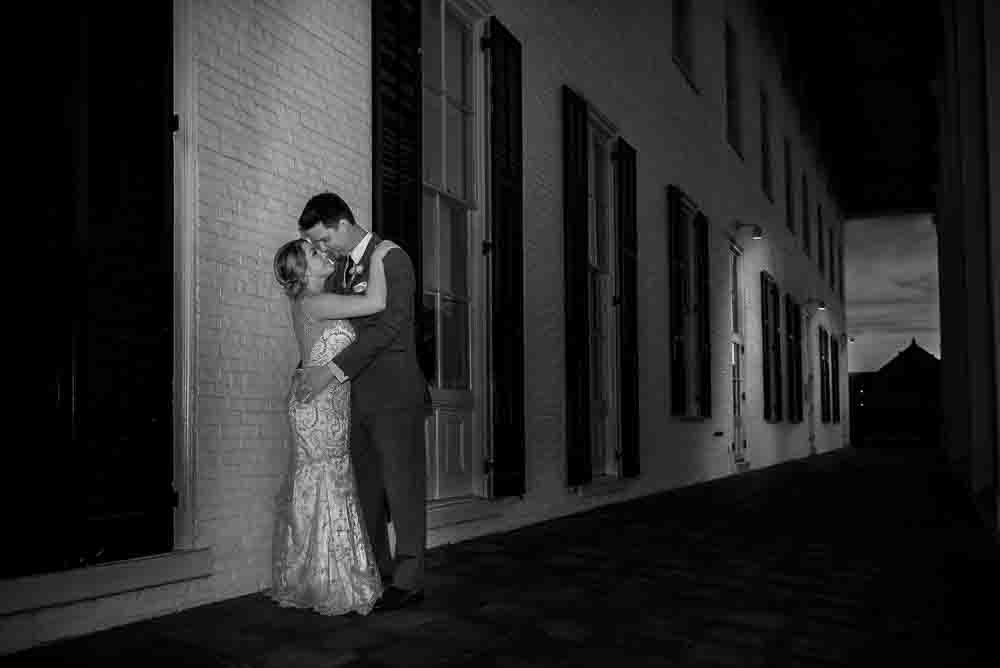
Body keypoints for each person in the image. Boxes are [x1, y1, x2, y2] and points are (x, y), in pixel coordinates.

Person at [295, 193, 428, 612]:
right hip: (351, 398)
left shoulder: (392, 257)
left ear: (342, 224)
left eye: (324, 240)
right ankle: (378, 571)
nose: (323, 250)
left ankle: (409, 581)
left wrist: (331, 369)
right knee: (367, 489)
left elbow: (390, 327)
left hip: (394, 394)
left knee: (402, 487)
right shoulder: (337, 272)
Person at [270, 236, 396, 616]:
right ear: (304, 272)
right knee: (328, 483)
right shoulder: (315, 301)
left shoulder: (314, 301)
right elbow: (376, 302)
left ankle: (321, 578)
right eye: (313, 252)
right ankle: (331, 582)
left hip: (324, 403)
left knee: (328, 483)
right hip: (320, 409)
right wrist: (379, 255)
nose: (322, 252)